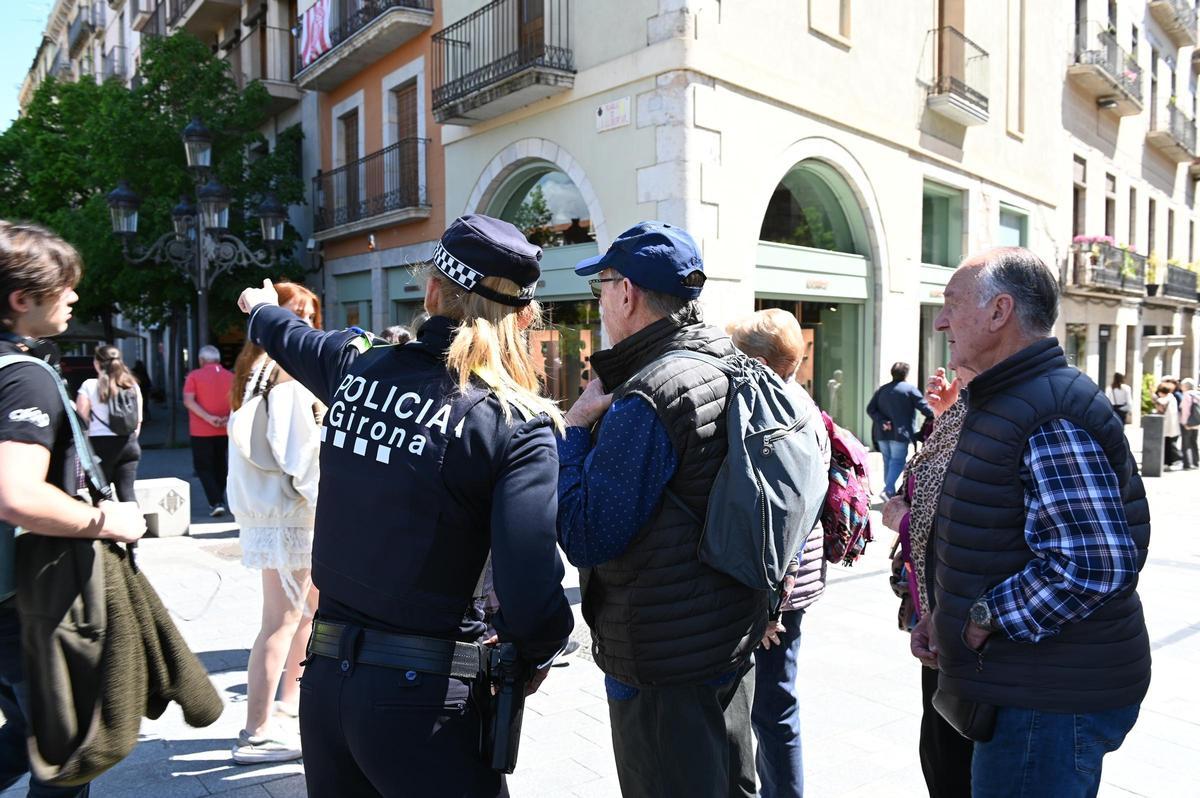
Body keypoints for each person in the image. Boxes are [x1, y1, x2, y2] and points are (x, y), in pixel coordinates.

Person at [236, 214, 573, 797]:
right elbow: (531, 593)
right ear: (522, 318)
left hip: (324, 689)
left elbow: (291, 338)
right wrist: (535, 654)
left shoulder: (354, 369)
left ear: (433, 292)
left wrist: (261, 309)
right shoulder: (514, 425)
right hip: (427, 701)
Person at [921, 247, 1150, 798]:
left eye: (952, 304)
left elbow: (1092, 563)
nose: (941, 320)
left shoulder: (1047, 409)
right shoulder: (1004, 397)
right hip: (1026, 685)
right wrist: (942, 614)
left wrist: (982, 616)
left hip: (1048, 700)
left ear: (1000, 312)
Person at [559, 221, 763, 798]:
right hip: (726, 633)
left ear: (626, 292)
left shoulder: (649, 393)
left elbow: (585, 533)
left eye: (601, 285)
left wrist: (572, 433)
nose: (599, 300)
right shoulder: (727, 358)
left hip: (660, 656)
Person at [0, 221, 146, 798]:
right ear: (22, 299)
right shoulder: (26, 379)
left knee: (34, 730)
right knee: (70, 747)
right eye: (65, 287)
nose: (75, 298)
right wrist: (111, 520)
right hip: (22, 601)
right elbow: (18, 494)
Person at [727, 308, 830, 798]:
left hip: (781, 590)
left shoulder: (779, 413)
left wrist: (772, 603)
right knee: (772, 702)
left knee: (771, 705)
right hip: (791, 584)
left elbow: (784, 518)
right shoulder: (798, 402)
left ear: (759, 361)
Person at [226, 283, 324, 764]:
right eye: (293, 311)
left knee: (301, 616)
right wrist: (330, 500)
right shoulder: (287, 373)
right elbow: (301, 455)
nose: (303, 320)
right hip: (293, 516)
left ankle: (286, 706)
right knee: (281, 622)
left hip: (276, 514)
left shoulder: (256, 369)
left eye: (309, 312)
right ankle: (257, 730)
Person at [881, 364, 976, 798]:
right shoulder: (962, 415)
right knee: (938, 743)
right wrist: (944, 413)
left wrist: (904, 520)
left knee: (951, 754)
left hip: (965, 624)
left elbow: (965, 523)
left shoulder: (995, 417)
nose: (943, 326)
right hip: (936, 611)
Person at [75, 345, 142, 503]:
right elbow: (138, 420)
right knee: (127, 494)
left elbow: (81, 420)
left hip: (100, 446)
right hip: (129, 443)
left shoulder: (89, 385)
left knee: (101, 496)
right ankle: (137, 527)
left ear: (97, 363)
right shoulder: (132, 385)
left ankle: (107, 527)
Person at [867, 362, 934, 497]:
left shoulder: (882, 390)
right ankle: (889, 489)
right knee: (897, 461)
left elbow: (870, 409)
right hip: (900, 433)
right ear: (906, 374)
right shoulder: (909, 389)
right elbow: (925, 408)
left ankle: (888, 490)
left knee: (888, 461)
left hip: (882, 433)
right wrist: (938, 413)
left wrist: (882, 421)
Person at [183, 345, 234, 516]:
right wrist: (227, 417)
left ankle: (216, 501)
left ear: (201, 360)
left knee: (204, 467)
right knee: (221, 465)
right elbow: (238, 401)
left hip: (201, 431)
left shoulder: (194, 376)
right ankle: (219, 498)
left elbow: (189, 401)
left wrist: (208, 418)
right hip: (225, 428)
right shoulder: (231, 377)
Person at [1153, 382, 1182, 469]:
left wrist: (1154, 397)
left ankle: (1170, 462)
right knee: (1169, 445)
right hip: (1170, 426)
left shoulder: (1168, 398)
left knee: (1168, 445)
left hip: (1167, 427)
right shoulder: (1171, 397)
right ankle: (1169, 462)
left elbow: (1160, 402)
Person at [1179, 378, 1200, 470]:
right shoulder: (1197, 394)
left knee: (1186, 444)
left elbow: (1185, 410)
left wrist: (1185, 423)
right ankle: (1196, 462)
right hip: (1197, 422)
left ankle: (1187, 464)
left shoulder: (1187, 395)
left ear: (1186, 386)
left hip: (1188, 423)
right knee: (1194, 442)